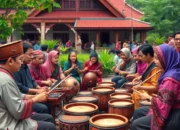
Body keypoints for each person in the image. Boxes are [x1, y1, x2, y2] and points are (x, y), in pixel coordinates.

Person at [0, 41, 56, 130]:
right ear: (10, 61)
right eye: (20, 60)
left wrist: (37, 93)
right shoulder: (5, 80)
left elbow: (18, 94)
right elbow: (18, 111)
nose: (21, 63)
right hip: (10, 123)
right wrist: (36, 98)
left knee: (48, 118)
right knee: (50, 126)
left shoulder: (5, 75)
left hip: (12, 117)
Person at [131, 44, 180, 130]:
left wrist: (149, 98)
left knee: (136, 125)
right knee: (138, 111)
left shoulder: (171, 79)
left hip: (174, 114)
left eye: (157, 58)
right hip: (171, 107)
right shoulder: (172, 71)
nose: (155, 61)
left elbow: (164, 105)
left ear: (166, 58)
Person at [13, 43, 50, 114]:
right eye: (30, 54)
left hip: (32, 95)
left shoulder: (26, 66)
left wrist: (40, 89)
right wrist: (37, 91)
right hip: (24, 99)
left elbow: (32, 80)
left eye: (33, 55)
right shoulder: (17, 68)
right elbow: (20, 88)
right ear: (22, 54)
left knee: (47, 102)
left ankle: (50, 120)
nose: (32, 57)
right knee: (43, 107)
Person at [132, 44, 162, 108]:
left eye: (141, 56)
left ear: (148, 55)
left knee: (136, 94)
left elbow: (155, 87)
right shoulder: (148, 63)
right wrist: (140, 77)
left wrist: (140, 87)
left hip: (151, 93)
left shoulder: (156, 67)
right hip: (146, 87)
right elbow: (147, 74)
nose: (140, 58)